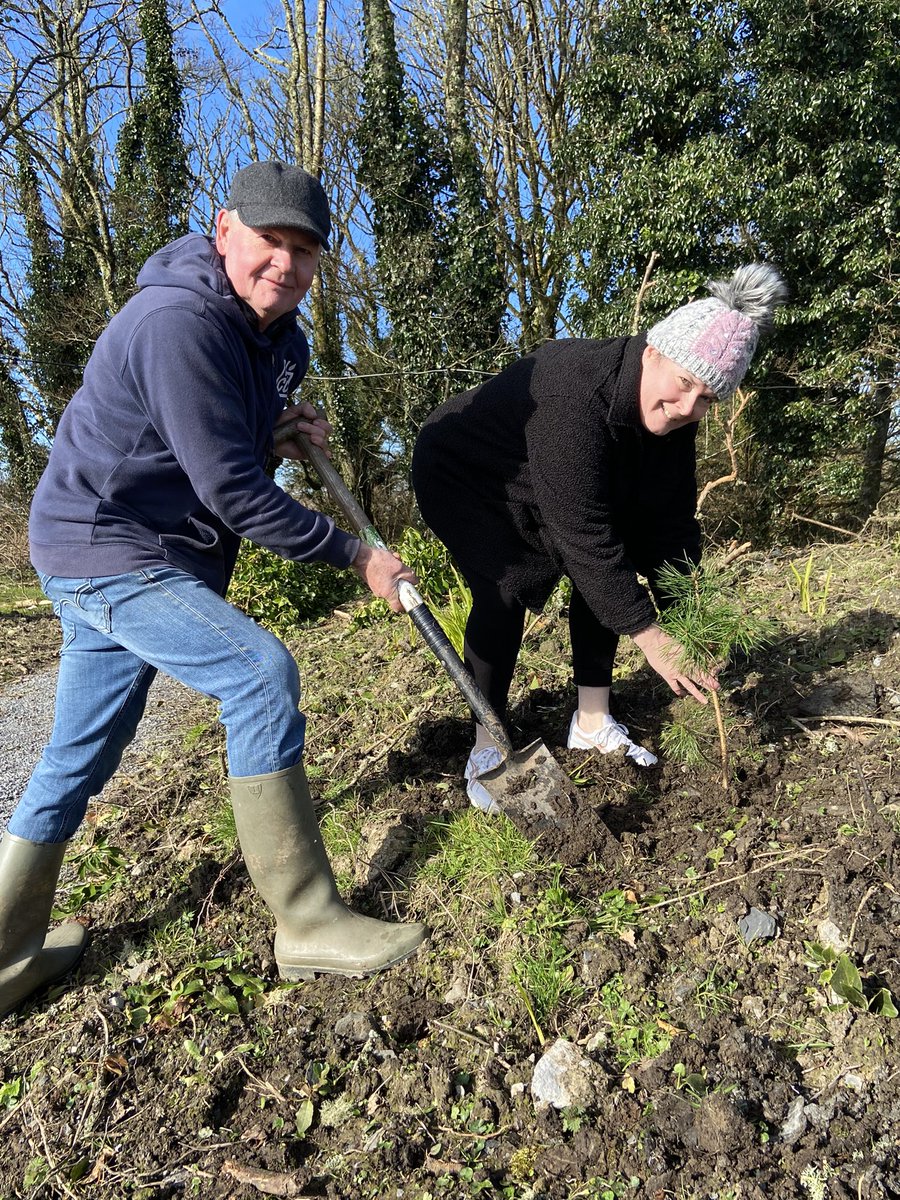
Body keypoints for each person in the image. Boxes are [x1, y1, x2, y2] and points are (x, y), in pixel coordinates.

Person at [0, 160, 427, 1018]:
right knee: (259, 674)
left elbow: (215, 442)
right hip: (105, 544)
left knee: (83, 749)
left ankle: (5, 959)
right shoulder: (178, 322)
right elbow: (231, 490)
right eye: (270, 241)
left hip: (158, 547)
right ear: (223, 228)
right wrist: (356, 556)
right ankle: (306, 922)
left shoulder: (283, 342)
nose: (286, 266)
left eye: (306, 252)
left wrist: (280, 429)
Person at [412, 264, 787, 811]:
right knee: (505, 589)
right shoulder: (577, 395)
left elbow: (671, 521)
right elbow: (583, 537)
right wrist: (652, 638)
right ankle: (488, 746)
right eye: (684, 384)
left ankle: (590, 721)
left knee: (621, 554)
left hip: (554, 477)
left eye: (707, 398)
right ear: (653, 352)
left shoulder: (675, 422)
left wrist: (690, 615)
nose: (687, 408)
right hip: (469, 473)